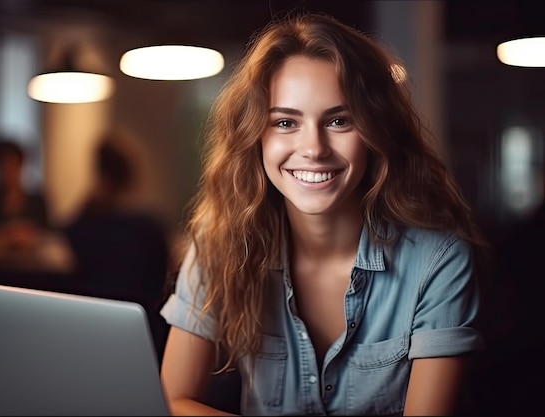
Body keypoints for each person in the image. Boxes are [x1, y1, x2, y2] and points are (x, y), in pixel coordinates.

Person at [158, 12, 488, 416]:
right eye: (285, 122)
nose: (313, 148)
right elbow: (171, 401)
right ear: (254, 137)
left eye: (338, 120)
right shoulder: (219, 242)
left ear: (375, 130)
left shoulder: (437, 260)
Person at [64, 137, 170, 362]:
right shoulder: (150, 227)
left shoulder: (84, 224)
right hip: (143, 333)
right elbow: (162, 284)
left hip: (88, 327)